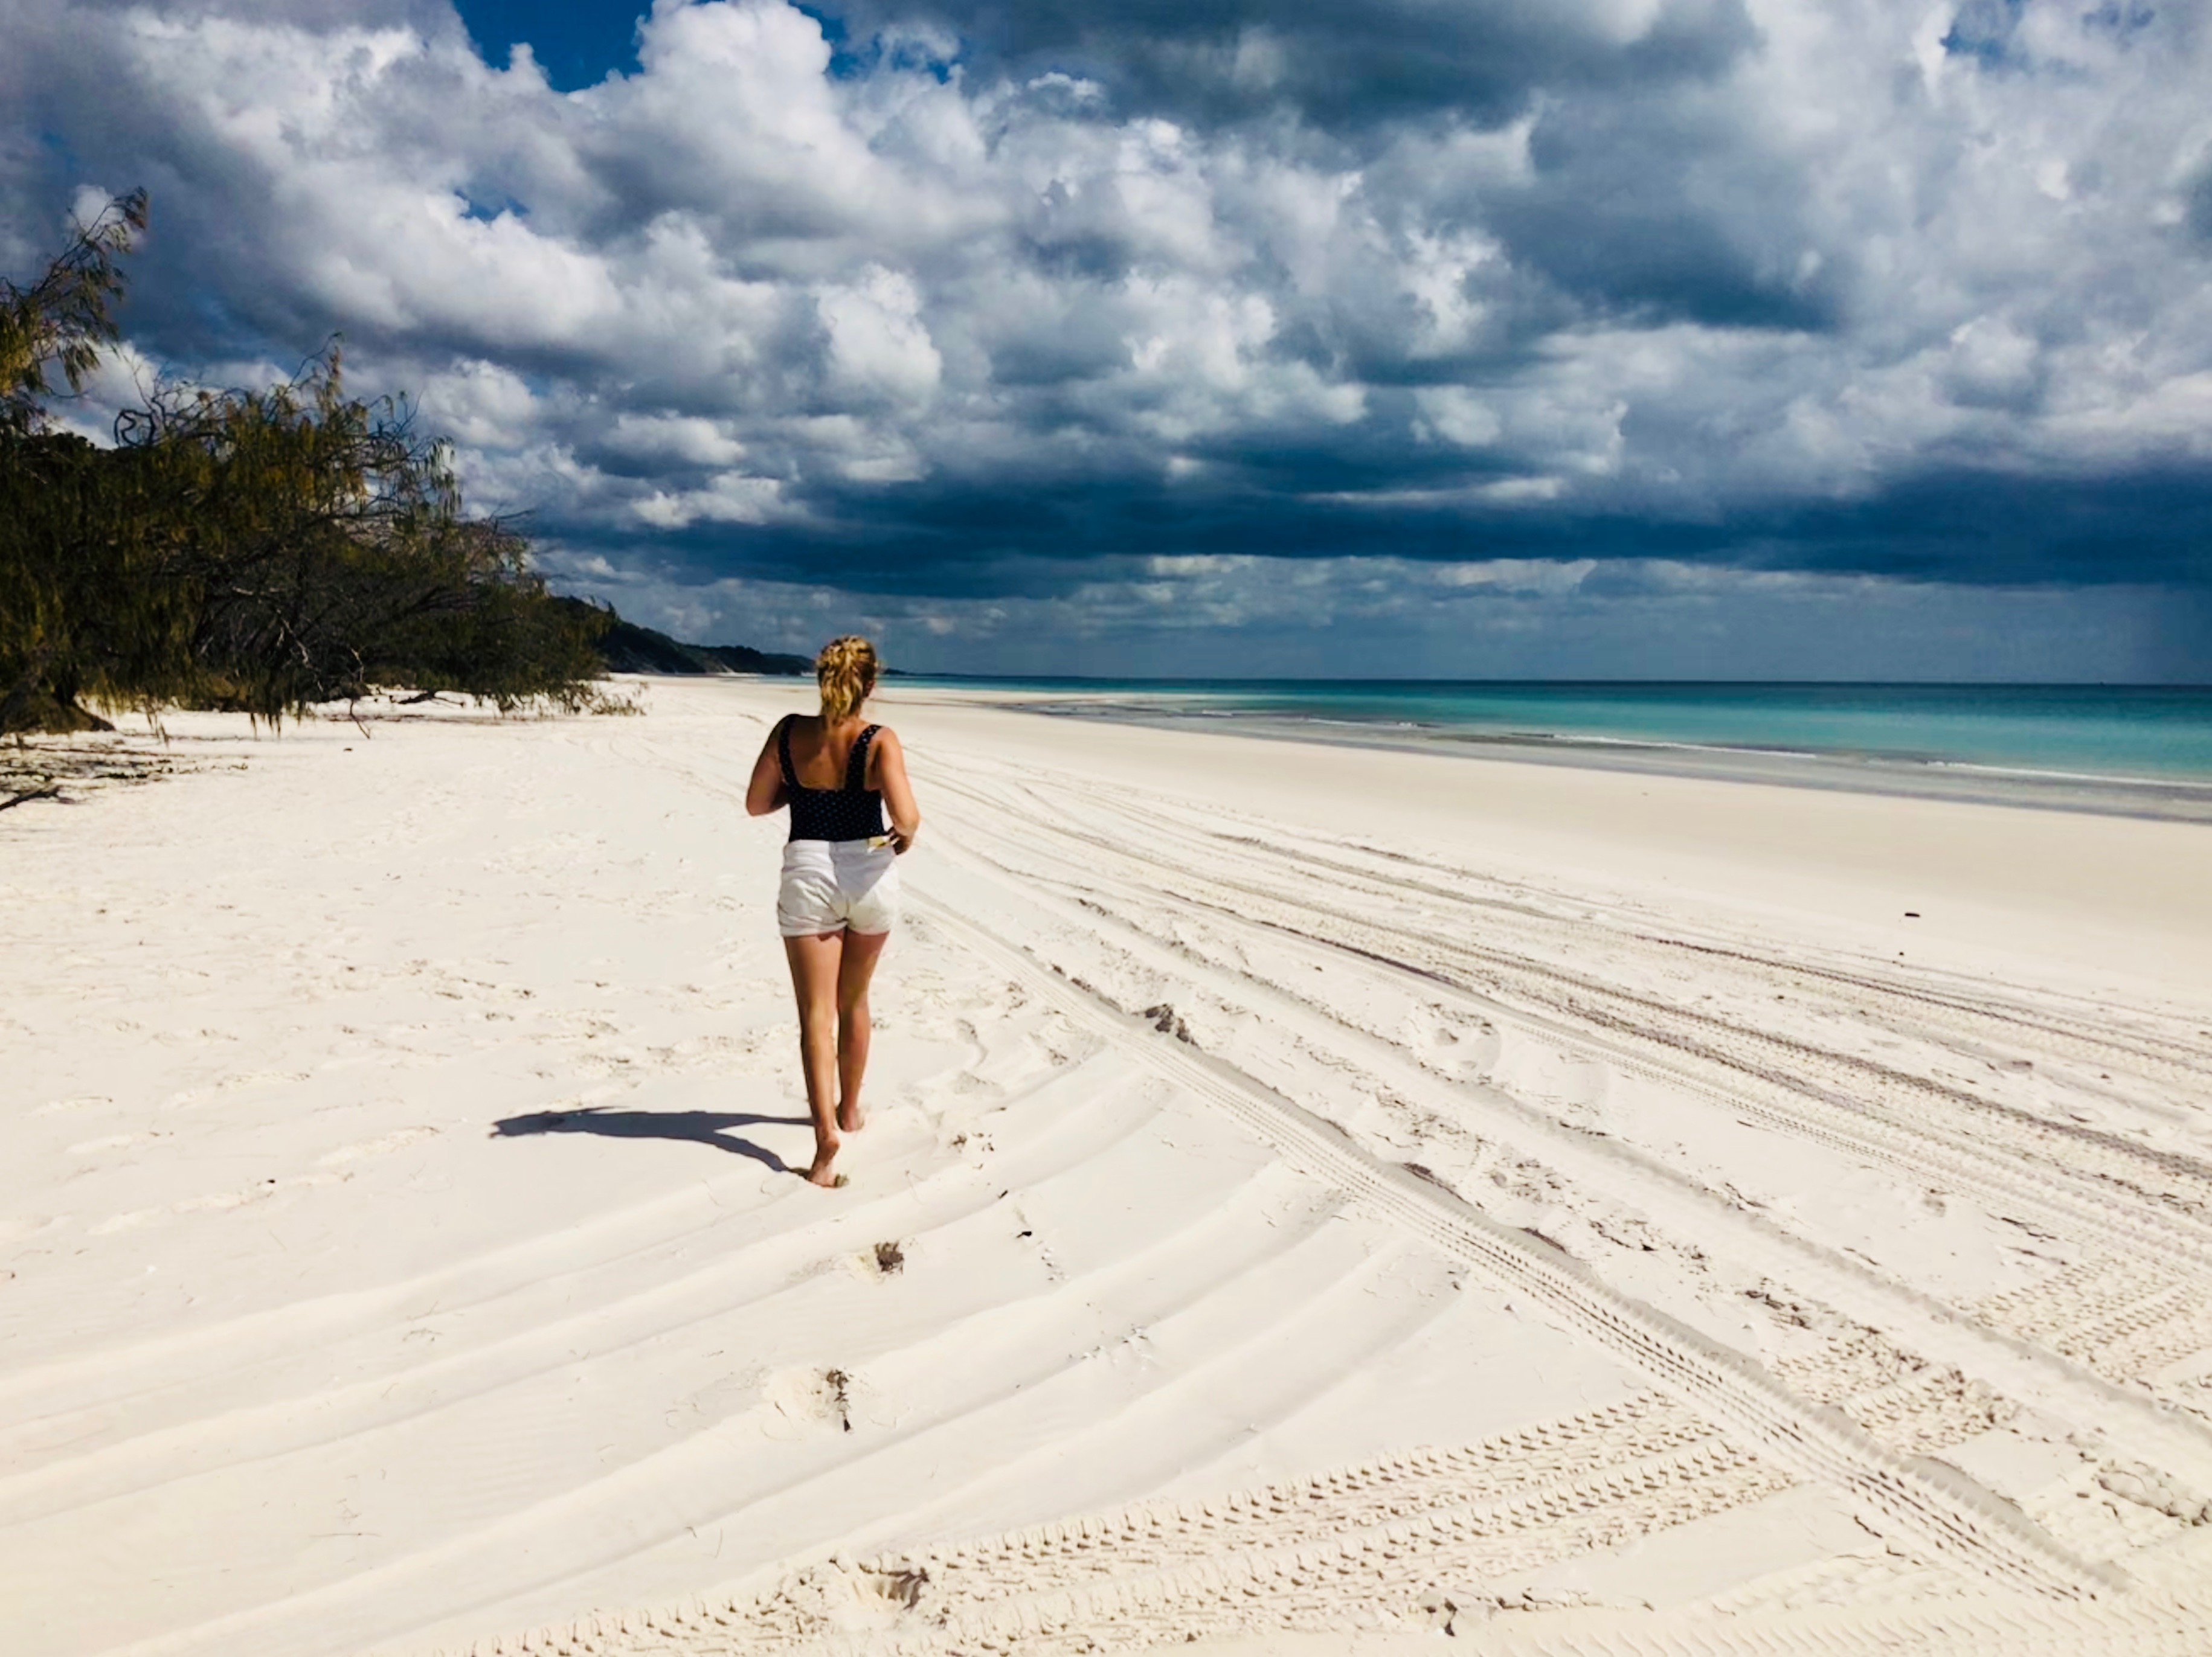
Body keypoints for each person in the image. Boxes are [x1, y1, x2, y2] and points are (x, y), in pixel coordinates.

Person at [745, 636, 922, 1187]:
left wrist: (800, 796)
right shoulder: (878, 740)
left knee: (816, 1018)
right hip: (868, 871)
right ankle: (851, 1109)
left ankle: (825, 1136)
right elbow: (908, 818)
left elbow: (756, 803)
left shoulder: (789, 731)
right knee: (856, 1000)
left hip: (808, 869)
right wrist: (901, 841)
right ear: (870, 684)